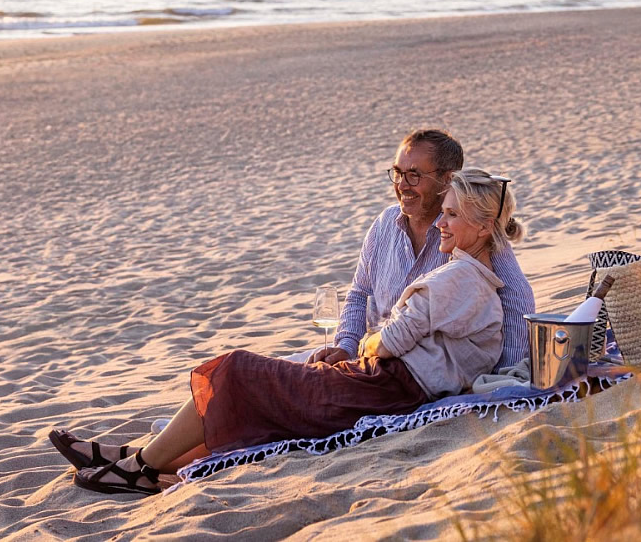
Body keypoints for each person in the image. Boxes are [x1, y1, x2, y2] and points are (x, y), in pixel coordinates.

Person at [49, 169, 518, 496]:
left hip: (384, 391)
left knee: (236, 370)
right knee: (256, 383)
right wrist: (357, 353)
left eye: (452, 214)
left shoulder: (460, 278)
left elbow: (393, 340)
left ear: (481, 227)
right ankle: (138, 462)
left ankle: (140, 467)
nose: (440, 220)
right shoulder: (471, 277)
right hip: (384, 384)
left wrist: (368, 347)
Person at [310, 129, 536, 372]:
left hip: (422, 376)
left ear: (448, 179)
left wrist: (505, 375)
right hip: (372, 362)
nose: (402, 185)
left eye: (414, 175)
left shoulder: (466, 231)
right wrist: (346, 346)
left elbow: (517, 299)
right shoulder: (384, 223)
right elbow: (359, 294)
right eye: (397, 173)